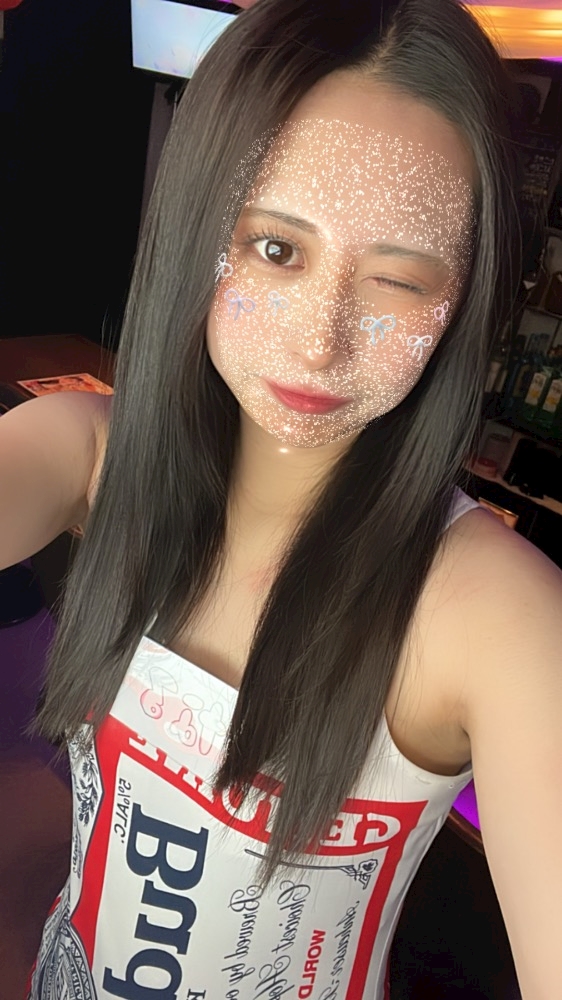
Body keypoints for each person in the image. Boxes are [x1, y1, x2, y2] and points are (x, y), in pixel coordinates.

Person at [0, 0, 560, 996]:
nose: (318, 341)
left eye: (397, 280)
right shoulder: (96, 457)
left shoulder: (491, 614)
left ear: (461, 300)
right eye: (275, 250)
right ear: (197, 226)